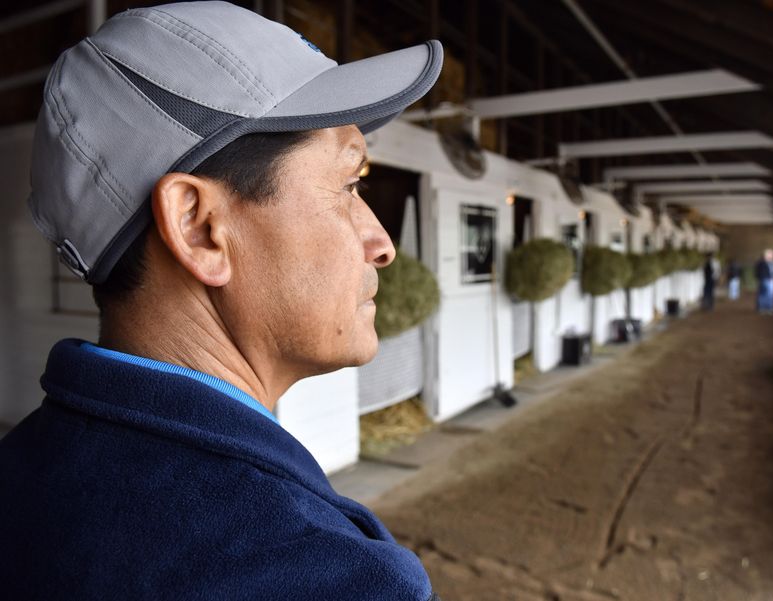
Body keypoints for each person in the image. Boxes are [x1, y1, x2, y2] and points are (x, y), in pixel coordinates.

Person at [0, 3, 443, 600]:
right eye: (348, 184)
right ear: (201, 229)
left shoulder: (23, 468)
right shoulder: (328, 577)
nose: (382, 244)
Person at [755, 249, 773, 313]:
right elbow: (757, 272)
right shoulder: (761, 263)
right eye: (769, 254)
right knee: (764, 294)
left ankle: (769, 308)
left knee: (770, 294)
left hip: (772, 280)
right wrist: (760, 279)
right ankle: (762, 308)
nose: (771, 256)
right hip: (764, 280)